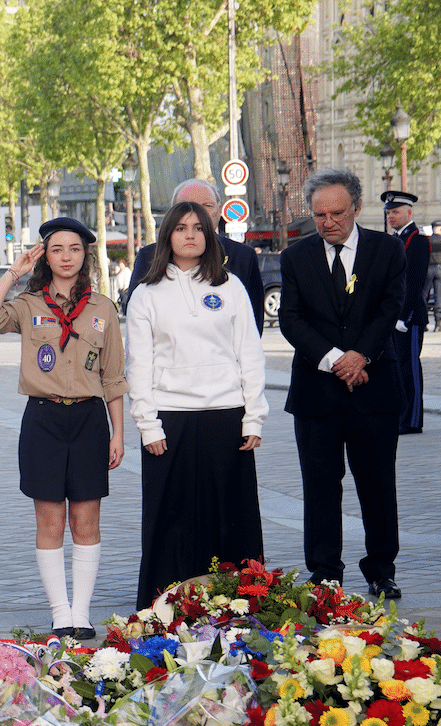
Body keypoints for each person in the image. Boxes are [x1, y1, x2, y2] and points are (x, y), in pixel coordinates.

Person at [0, 218, 127, 640]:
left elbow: (114, 378)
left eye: (74, 249)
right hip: (43, 420)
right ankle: (60, 613)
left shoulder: (103, 309)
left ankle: (82, 612)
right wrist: (14, 272)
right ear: (45, 256)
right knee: (51, 520)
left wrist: (118, 433)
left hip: (89, 420)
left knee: (86, 520)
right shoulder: (28, 304)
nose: (66, 257)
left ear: (85, 256)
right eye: (57, 249)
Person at [126, 201, 268, 610]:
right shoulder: (146, 294)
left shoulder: (231, 287)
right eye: (180, 228)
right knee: (171, 521)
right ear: (167, 236)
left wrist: (253, 417)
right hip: (170, 422)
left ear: (209, 235)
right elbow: (139, 365)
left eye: (198, 228)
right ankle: (165, 609)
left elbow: (250, 355)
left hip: (226, 417)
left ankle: (239, 605)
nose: (190, 235)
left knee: (231, 519)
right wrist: (148, 425)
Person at [279, 168, 406, 600]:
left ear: (357, 207)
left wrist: (361, 355)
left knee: (378, 484)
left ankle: (381, 569)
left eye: (337, 213)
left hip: (374, 388)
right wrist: (337, 360)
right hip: (316, 394)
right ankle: (325, 573)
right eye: (319, 215)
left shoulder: (387, 250)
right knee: (319, 486)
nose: (328, 222)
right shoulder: (295, 257)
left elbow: (390, 306)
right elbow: (291, 319)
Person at [125, 179, 266, 332]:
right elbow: (135, 319)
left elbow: (252, 326)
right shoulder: (149, 256)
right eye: (187, 206)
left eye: (207, 206)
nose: (197, 213)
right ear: (173, 213)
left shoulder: (242, 257)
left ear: (219, 211)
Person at [380, 190, 430, 434]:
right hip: (394, 317)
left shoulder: (417, 240)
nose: (391, 216)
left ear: (408, 213)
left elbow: (414, 282)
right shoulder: (394, 240)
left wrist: (403, 316)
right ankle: (402, 416)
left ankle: (412, 420)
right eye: (389, 212)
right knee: (398, 368)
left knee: (410, 369)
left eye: (395, 212)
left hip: (409, 317)